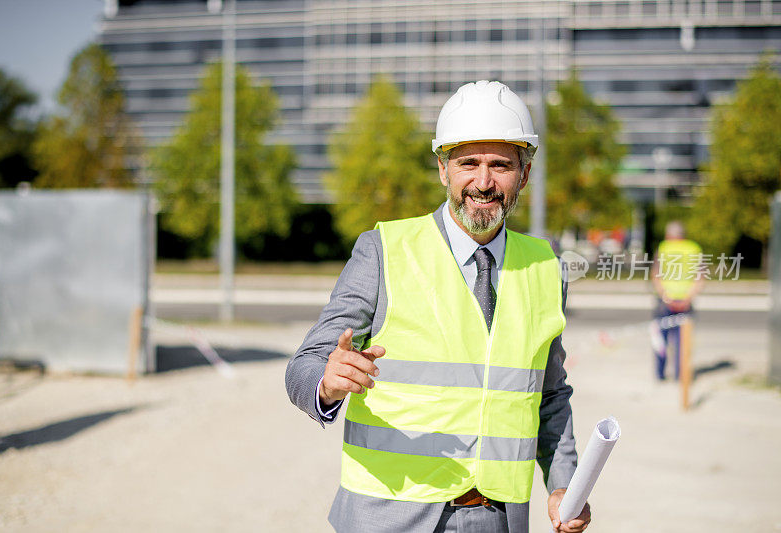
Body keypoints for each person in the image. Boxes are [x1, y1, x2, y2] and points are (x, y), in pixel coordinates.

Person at [286, 81, 590, 533]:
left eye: (500, 165)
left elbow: (549, 395)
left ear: (523, 175)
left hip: (498, 519)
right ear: (444, 170)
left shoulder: (546, 266)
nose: (483, 182)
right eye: (468, 163)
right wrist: (327, 385)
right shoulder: (383, 249)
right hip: (388, 517)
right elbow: (304, 365)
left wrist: (565, 482)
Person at [650, 220, 704, 380]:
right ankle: (680, 376)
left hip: (665, 301)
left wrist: (666, 297)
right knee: (683, 341)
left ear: (668, 235)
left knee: (661, 339)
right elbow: (700, 278)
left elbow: (655, 275)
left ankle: (660, 374)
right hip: (685, 302)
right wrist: (688, 298)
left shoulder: (663, 248)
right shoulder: (694, 249)